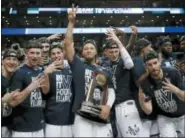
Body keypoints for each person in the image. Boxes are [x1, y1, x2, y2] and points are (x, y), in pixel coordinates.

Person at [64, 5, 115, 137]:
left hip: (100, 113)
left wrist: (108, 106)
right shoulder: (78, 65)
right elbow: (68, 44)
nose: (88, 50)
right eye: (86, 48)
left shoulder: (104, 70)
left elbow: (111, 90)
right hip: (82, 115)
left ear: (96, 51)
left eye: (91, 48)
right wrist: (71, 23)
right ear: (82, 52)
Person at [105, 29, 146, 137]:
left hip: (127, 106)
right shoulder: (105, 66)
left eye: (116, 51)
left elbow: (129, 61)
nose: (114, 54)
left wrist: (118, 40)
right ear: (106, 52)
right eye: (111, 52)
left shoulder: (123, 62)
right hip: (115, 109)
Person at [139, 50, 185, 137]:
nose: (153, 67)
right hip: (165, 117)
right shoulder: (145, 83)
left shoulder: (173, 73)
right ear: (146, 66)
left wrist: (175, 90)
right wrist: (141, 101)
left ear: (159, 62)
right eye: (149, 64)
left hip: (183, 114)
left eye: (155, 63)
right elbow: (149, 111)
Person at [10, 40, 50, 137]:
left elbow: (45, 91)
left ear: (41, 55)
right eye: (32, 53)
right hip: (22, 128)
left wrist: (45, 73)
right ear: (26, 53)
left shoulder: (40, 70)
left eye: (37, 53)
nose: (35, 56)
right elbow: (13, 102)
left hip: (38, 126)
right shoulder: (19, 72)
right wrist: (29, 88)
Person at [44, 44, 74, 137]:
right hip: (52, 118)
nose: (56, 55)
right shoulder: (46, 71)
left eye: (58, 53)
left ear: (63, 53)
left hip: (69, 118)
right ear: (50, 56)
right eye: (53, 54)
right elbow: (44, 92)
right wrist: (45, 74)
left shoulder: (72, 69)